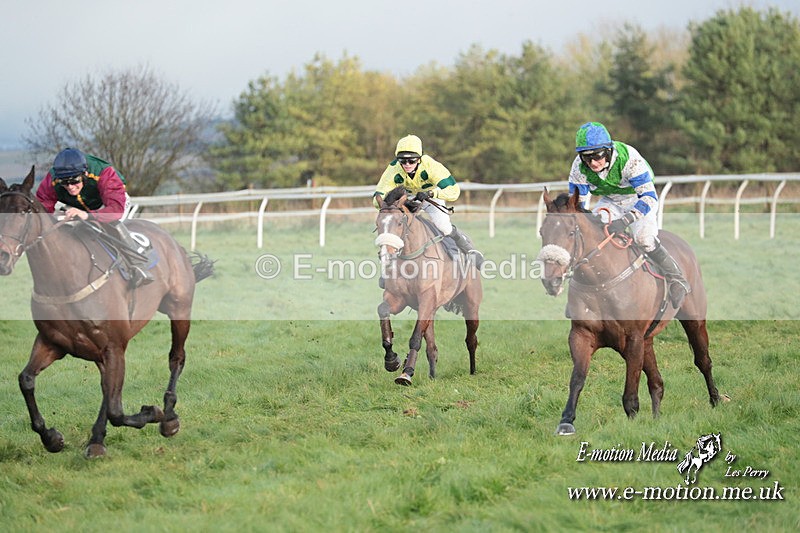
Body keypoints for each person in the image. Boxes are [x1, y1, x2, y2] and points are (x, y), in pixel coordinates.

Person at [568, 122, 690, 307]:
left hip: (639, 199)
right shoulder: (579, 168)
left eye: (597, 156)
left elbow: (649, 197)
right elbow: (577, 205)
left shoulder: (629, 158)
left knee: (643, 238)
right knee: (590, 233)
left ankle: (676, 278)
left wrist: (626, 220)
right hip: (610, 201)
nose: (592, 162)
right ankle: (580, 290)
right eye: (587, 157)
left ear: (608, 150)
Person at [35, 147, 154, 287]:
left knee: (112, 224)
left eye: (74, 181)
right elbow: (42, 206)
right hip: (80, 207)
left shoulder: (104, 173)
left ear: (84, 174)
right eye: (64, 183)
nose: (70, 187)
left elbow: (115, 210)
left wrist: (87, 215)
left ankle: (138, 266)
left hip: (111, 205)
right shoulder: (53, 178)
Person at [373, 134, 483, 267]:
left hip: (431, 197)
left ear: (419, 159)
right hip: (406, 200)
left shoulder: (431, 166)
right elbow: (378, 195)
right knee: (393, 227)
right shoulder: (393, 168)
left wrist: (431, 193)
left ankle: (468, 250)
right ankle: (388, 268)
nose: (407, 165)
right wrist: (389, 204)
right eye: (402, 161)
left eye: (412, 161)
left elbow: (454, 191)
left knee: (443, 227)